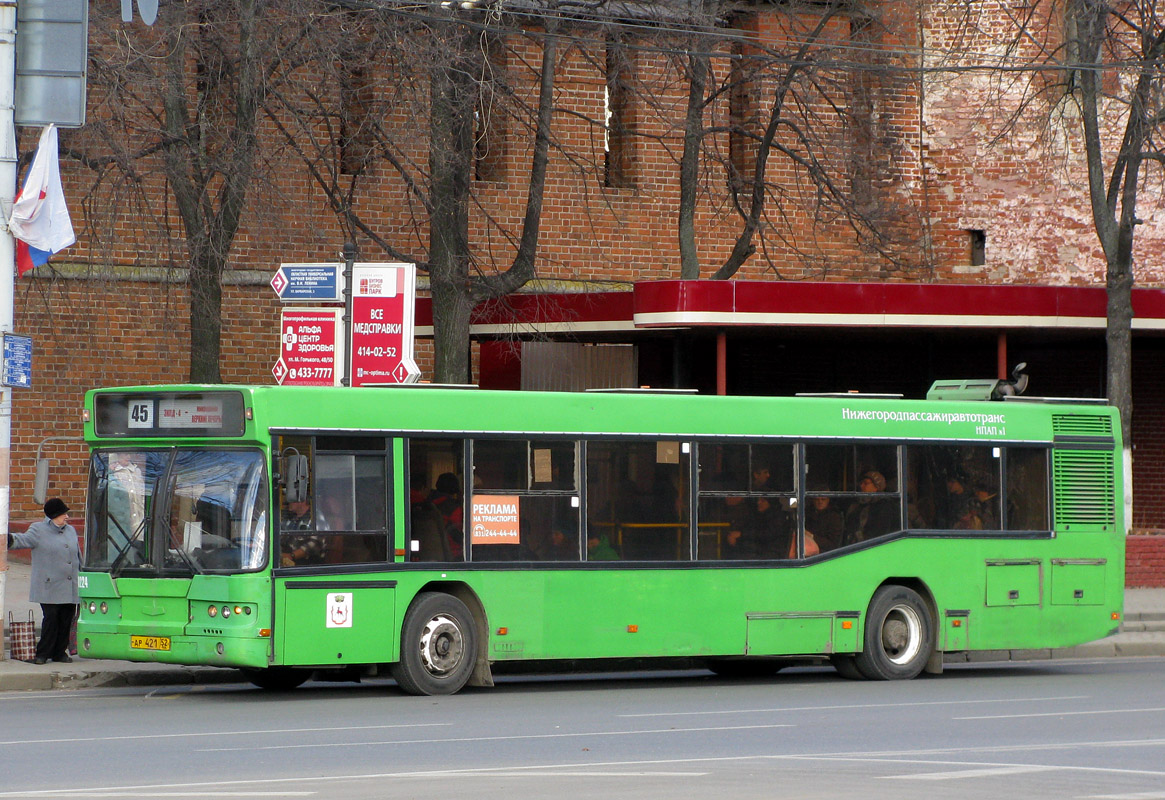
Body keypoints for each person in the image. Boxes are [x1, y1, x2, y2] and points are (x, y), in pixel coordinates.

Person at [7, 499, 81, 664]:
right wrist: (7, 538)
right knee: (51, 619)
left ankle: (59, 653)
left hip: (69, 585)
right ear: (54, 515)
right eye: (63, 514)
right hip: (49, 585)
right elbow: (22, 540)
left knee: (66, 619)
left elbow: (78, 556)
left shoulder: (70, 530)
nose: (67, 517)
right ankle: (42, 654)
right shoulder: (38, 529)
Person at [845, 470, 899, 543]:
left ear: (876, 487)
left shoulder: (884, 506)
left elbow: (879, 534)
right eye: (861, 483)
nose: (861, 486)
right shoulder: (857, 505)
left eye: (866, 483)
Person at [280, 499, 327, 566]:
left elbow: (315, 544)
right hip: (289, 564)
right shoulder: (292, 518)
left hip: (308, 567)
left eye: (291, 498)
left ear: (301, 500)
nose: (288, 502)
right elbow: (280, 537)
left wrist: (291, 556)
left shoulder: (316, 517)